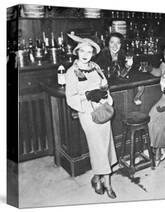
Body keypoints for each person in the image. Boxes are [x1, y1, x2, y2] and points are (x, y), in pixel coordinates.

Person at [65, 34, 117, 199]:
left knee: (106, 143)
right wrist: (87, 96)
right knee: (97, 146)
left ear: (93, 53)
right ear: (77, 52)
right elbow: (71, 97)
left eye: (89, 51)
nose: (85, 54)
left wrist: (105, 96)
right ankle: (107, 182)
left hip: (102, 109)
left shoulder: (95, 66)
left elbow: (105, 85)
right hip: (87, 112)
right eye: (82, 50)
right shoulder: (72, 72)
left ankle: (97, 177)